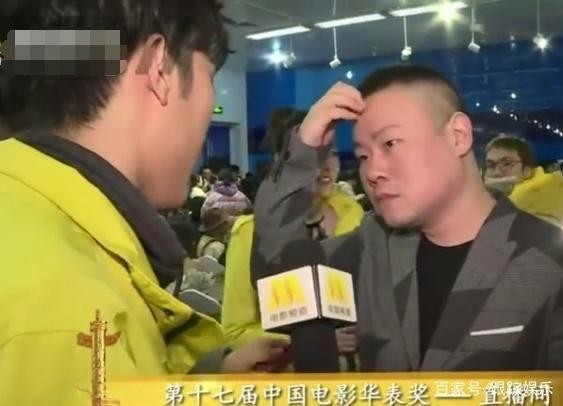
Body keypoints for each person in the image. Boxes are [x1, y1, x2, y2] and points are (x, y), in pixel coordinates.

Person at [0, 1, 287, 404]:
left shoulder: (25, 218)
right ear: (159, 67)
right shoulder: (72, 315)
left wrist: (205, 379)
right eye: (209, 76)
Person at [250, 65, 563, 371]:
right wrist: (303, 154)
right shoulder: (374, 249)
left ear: (457, 136)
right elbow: (280, 270)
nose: (372, 172)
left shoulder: (546, 258)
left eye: (390, 144)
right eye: (363, 156)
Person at [221, 108, 364, 368]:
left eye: (332, 152)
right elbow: (236, 331)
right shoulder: (250, 232)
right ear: (284, 162)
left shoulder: (355, 216)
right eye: (313, 153)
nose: (326, 164)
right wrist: (312, 342)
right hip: (290, 375)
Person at [484, 135, 563, 227]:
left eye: (507, 164)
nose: (497, 172)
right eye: (490, 165)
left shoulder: (530, 199)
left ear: (527, 170)